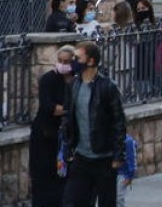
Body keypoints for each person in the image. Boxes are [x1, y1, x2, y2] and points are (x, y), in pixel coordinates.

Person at [62, 40, 128, 207]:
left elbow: (118, 122)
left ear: (90, 61)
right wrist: (67, 147)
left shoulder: (107, 87)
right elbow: (68, 118)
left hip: (104, 158)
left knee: (106, 202)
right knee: (72, 201)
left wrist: (118, 155)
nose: (73, 62)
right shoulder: (73, 85)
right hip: (81, 157)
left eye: (77, 58)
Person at [30, 45, 75, 207]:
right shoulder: (49, 79)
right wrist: (70, 109)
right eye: (60, 61)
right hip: (45, 136)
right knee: (44, 177)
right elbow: (49, 107)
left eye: (67, 61)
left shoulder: (76, 81)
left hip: (65, 138)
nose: (62, 64)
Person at [115, 134, 137, 207]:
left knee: (119, 198)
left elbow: (131, 159)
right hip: (110, 173)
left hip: (122, 174)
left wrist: (130, 176)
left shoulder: (128, 141)